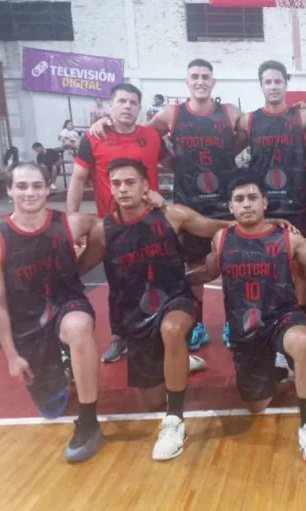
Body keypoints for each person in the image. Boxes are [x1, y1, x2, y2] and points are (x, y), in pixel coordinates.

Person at [76, 158, 234, 460]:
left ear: (146, 186)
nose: (123, 189)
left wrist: (267, 223)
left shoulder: (172, 216)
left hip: (176, 301)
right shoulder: (103, 231)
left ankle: (175, 420)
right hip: (135, 316)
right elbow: (76, 270)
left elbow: (215, 227)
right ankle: (181, 362)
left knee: (172, 330)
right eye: (116, 183)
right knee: (151, 400)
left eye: (130, 182)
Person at [90, 60, 245, 353]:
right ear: (187, 81)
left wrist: (226, 154)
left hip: (224, 200)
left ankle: (233, 322)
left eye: (206, 76)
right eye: (194, 76)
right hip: (189, 201)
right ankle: (197, 325)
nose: (200, 81)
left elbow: (252, 131)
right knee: (195, 267)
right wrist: (107, 123)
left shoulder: (230, 113)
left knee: (232, 265)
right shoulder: (172, 114)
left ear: (213, 82)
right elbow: (138, 135)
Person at [199, 174, 306, 465]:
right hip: (245, 328)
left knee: (302, 340)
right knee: (256, 405)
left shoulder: (288, 238)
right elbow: (208, 271)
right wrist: (172, 278)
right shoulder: (221, 238)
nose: (247, 204)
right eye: (240, 200)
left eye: (253, 198)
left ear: (264, 203)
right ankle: (280, 370)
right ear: (230, 207)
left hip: (282, 317)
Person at [0, 162, 102, 463]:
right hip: (29, 321)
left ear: (48, 189)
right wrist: (12, 356)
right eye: (21, 186)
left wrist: (79, 267)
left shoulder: (69, 223)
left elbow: (101, 228)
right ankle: (65, 364)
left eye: (37, 185)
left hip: (67, 304)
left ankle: (89, 422)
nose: (30, 192)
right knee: (51, 409)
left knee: (78, 327)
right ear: (9, 191)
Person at [69, 83, 170, 363]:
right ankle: (120, 336)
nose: (127, 106)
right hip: (113, 226)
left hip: (151, 223)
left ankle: (161, 334)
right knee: (118, 286)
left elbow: (172, 163)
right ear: (110, 105)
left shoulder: (151, 136)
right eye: (122, 101)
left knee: (157, 280)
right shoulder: (94, 137)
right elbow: (78, 179)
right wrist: (71, 217)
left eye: (133, 102)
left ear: (139, 108)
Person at [237, 60, 306, 318]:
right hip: (263, 205)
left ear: (286, 84)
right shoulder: (249, 120)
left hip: (295, 203)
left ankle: (300, 315)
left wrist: (301, 159)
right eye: (268, 82)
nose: (273, 86)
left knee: (299, 265)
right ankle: (268, 315)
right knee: (264, 266)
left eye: (278, 81)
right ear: (261, 85)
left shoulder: (303, 116)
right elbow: (227, 150)